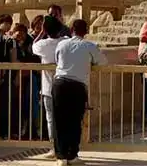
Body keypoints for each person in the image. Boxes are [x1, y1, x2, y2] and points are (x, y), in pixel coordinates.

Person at [52, 19, 104, 166]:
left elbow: (57, 59)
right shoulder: (89, 46)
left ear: (71, 30)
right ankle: (72, 155)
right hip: (77, 86)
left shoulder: (62, 44)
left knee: (59, 121)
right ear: (85, 31)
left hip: (60, 84)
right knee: (75, 121)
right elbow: (102, 61)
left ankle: (60, 156)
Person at [31, 16, 68, 158]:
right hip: (64, 85)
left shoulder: (43, 45)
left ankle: (54, 148)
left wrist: (42, 33)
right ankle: (65, 148)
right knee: (64, 119)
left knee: (51, 119)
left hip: (48, 87)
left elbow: (33, 45)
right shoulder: (65, 42)